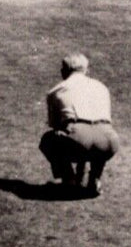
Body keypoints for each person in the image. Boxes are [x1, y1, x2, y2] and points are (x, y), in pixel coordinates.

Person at [39, 53, 120, 198]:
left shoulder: (56, 91)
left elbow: (56, 127)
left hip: (80, 138)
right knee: (96, 137)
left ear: (63, 71)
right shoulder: (101, 87)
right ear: (86, 70)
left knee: (49, 140)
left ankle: (68, 179)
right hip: (110, 140)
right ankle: (95, 179)